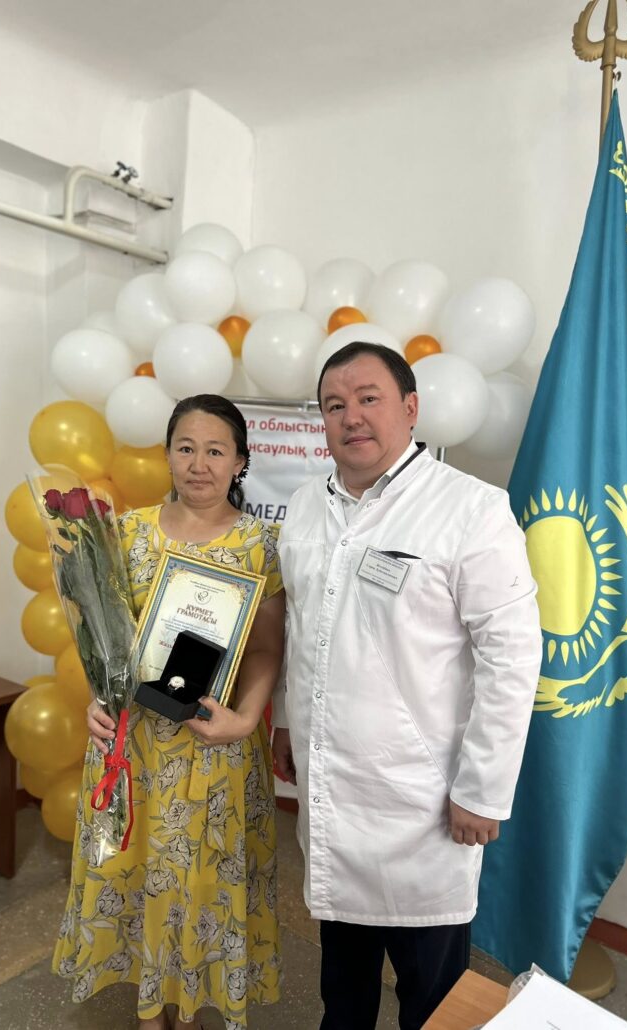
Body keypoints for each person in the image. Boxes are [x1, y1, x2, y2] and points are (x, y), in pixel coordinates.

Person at [271, 342, 543, 1030]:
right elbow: (300, 628)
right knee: (344, 986)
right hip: (335, 792)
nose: (351, 417)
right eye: (334, 405)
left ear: (411, 408)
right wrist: (285, 722)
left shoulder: (470, 509)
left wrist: (482, 790)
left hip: (423, 803)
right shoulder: (304, 507)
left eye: (369, 399)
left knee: (430, 997)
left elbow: (512, 657)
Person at [54, 395, 284, 1030]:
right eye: (186, 448)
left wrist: (247, 719)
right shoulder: (125, 533)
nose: (199, 464)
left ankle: (186, 1006)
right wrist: (98, 702)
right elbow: (104, 640)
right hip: (134, 747)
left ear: (240, 461)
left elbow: (267, 648)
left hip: (216, 747)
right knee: (137, 876)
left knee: (200, 882)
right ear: (167, 455)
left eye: (215, 451)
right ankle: (150, 1008)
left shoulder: (262, 545)